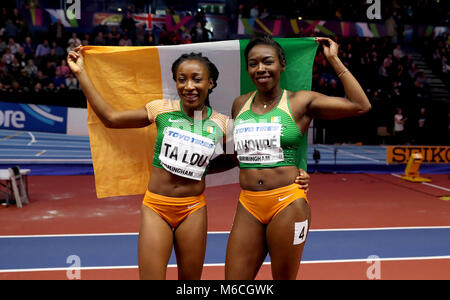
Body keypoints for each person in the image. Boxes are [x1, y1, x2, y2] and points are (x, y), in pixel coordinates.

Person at [67, 47, 311, 280]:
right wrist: (81, 73)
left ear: (210, 83)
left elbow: (246, 159)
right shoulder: (161, 109)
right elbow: (111, 119)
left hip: (192, 210)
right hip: (156, 207)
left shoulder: (224, 124)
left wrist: (295, 172)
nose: (189, 86)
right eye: (181, 79)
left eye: (197, 79)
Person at [225, 35, 371, 280]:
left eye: (267, 61)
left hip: (287, 203)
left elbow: (360, 105)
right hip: (248, 203)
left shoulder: (300, 101)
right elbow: (238, 156)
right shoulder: (239, 104)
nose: (260, 68)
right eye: (253, 63)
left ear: (282, 64)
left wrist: (334, 60)